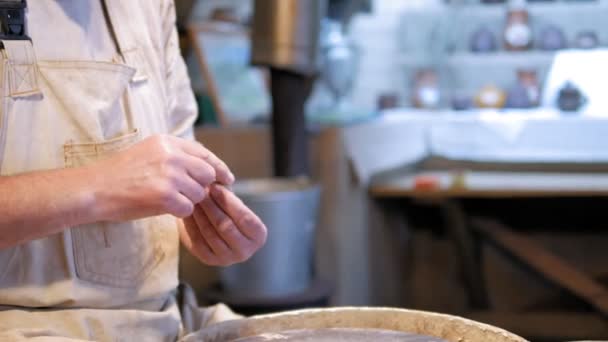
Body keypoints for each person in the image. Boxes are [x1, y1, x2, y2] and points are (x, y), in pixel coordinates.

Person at [0, 0, 267, 340]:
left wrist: (210, 226)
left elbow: (177, 168)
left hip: (162, 319)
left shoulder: (150, 5)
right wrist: (99, 187)